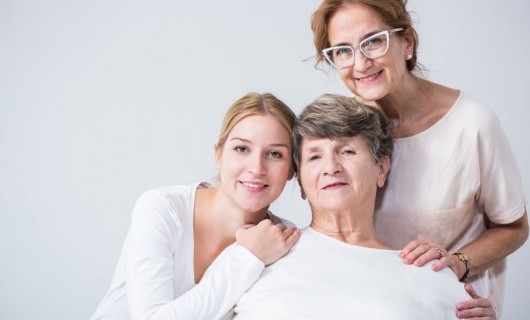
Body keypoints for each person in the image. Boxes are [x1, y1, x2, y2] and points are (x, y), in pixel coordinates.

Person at [310, 0, 528, 316]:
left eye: (373, 41)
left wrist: (457, 263)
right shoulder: (342, 130)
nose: (360, 63)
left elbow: (514, 228)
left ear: (407, 42)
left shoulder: (472, 126)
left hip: (453, 308)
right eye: (343, 51)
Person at [233, 94, 491, 319]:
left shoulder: (431, 274)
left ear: (381, 168)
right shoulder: (256, 255)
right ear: (301, 182)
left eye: (347, 151)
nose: (331, 167)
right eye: (314, 156)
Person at [90, 92, 301, 320]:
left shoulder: (282, 241)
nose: (256, 167)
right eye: (242, 149)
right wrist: (248, 257)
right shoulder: (162, 209)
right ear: (218, 155)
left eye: (274, 154)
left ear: (291, 169)